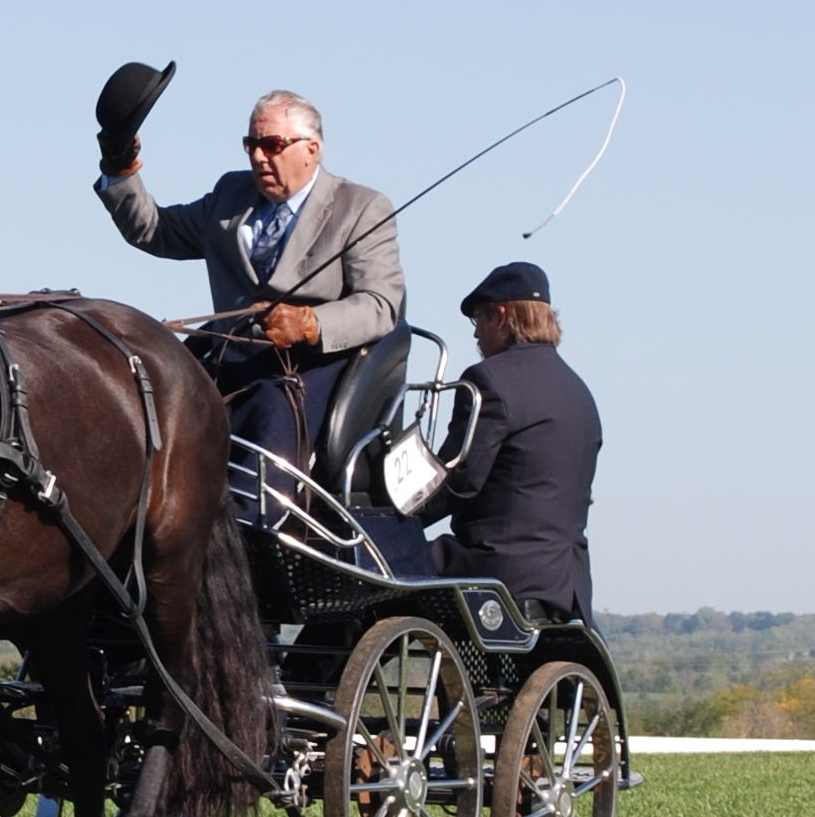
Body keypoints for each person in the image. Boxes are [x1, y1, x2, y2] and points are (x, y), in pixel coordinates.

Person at [92, 69, 404, 497]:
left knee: (264, 439)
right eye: (251, 145)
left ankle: (249, 532)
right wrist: (119, 168)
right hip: (224, 362)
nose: (258, 157)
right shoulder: (229, 195)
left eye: (272, 145)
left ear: (311, 150)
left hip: (307, 370)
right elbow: (155, 230)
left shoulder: (361, 207)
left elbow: (380, 304)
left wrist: (311, 323)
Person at [420, 261, 601, 623]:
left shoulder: (488, 381)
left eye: (478, 321)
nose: (475, 336)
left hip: (495, 569)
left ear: (500, 316)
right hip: (566, 583)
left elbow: (458, 481)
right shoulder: (581, 393)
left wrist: (392, 518)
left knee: (364, 579)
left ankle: (301, 677)